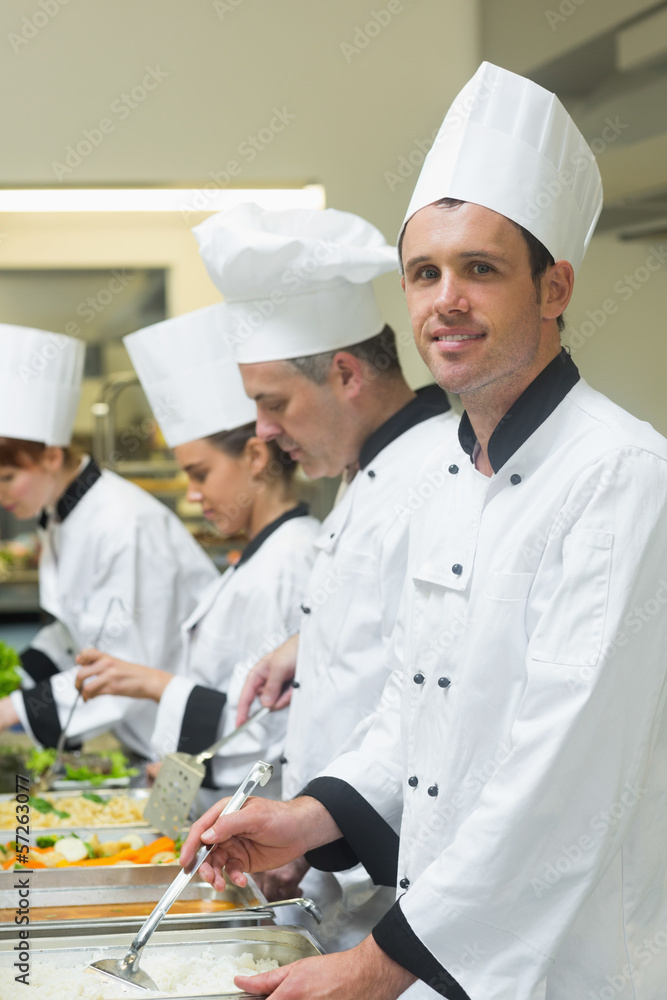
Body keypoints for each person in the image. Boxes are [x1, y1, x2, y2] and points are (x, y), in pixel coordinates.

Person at [181, 63, 667, 999]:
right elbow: (415, 704)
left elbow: (556, 771)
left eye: (479, 269)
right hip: (450, 946)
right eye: (424, 272)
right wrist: (311, 816)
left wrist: (374, 966)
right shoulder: (451, 467)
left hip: (569, 965)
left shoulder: (619, 475)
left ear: (554, 286)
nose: (445, 299)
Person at [194, 203, 457, 946]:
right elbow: (380, 637)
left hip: (391, 895)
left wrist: (313, 832)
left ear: (344, 373)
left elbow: (430, 701)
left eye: (271, 403)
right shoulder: (363, 470)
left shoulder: (435, 478)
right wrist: (303, 645)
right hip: (334, 875)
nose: (263, 433)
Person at [75, 305, 319, 803]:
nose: (191, 494)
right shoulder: (256, 558)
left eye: (200, 473)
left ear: (254, 457)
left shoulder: (293, 559)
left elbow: (269, 731)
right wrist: (171, 780)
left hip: (260, 825)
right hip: (216, 810)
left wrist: (153, 684)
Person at [0, 324, 216, 756]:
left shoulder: (122, 523)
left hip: (185, 744)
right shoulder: (62, 516)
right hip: (143, 736)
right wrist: (20, 676)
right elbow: (78, 631)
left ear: (52, 457)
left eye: (8, 477)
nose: (1, 493)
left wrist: (13, 711)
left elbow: (122, 669)